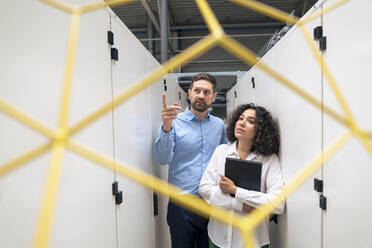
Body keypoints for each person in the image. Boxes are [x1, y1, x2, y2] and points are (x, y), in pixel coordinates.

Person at [154, 73, 228, 248]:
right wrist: (166, 127)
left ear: (214, 96)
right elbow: (162, 158)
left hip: (211, 203)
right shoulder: (173, 122)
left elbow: (227, 157)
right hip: (181, 205)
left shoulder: (218, 126)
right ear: (189, 93)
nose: (201, 95)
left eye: (206, 92)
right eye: (197, 91)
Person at [199, 103, 285, 248]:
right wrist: (244, 206)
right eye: (240, 118)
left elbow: (278, 204)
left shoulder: (269, 160)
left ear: (261, 130)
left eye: (251, 121)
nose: (242, 123)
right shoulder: (221, 151)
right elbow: (204, 189)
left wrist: (235, 191)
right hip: (218, 238)